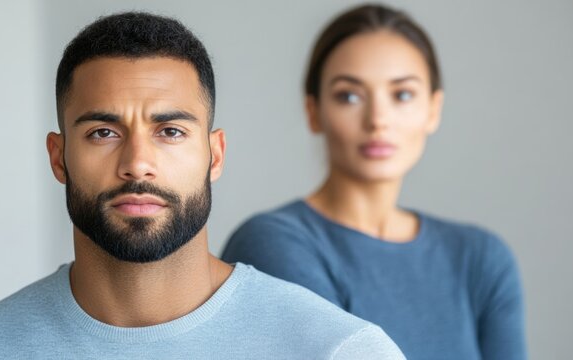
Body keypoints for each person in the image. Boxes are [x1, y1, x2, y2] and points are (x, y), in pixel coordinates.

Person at [0, 12, 405, 359]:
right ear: (58, 157)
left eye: (170, 132)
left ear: (215, 155)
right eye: (103, 133)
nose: (137, 164)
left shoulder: (339, 350)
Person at [222, 4, 526, 360]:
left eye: (402, 95)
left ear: (433, 109)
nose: (378, 119)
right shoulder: (273, 244)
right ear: (313, 112)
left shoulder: (480, 258)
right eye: (349, 96)